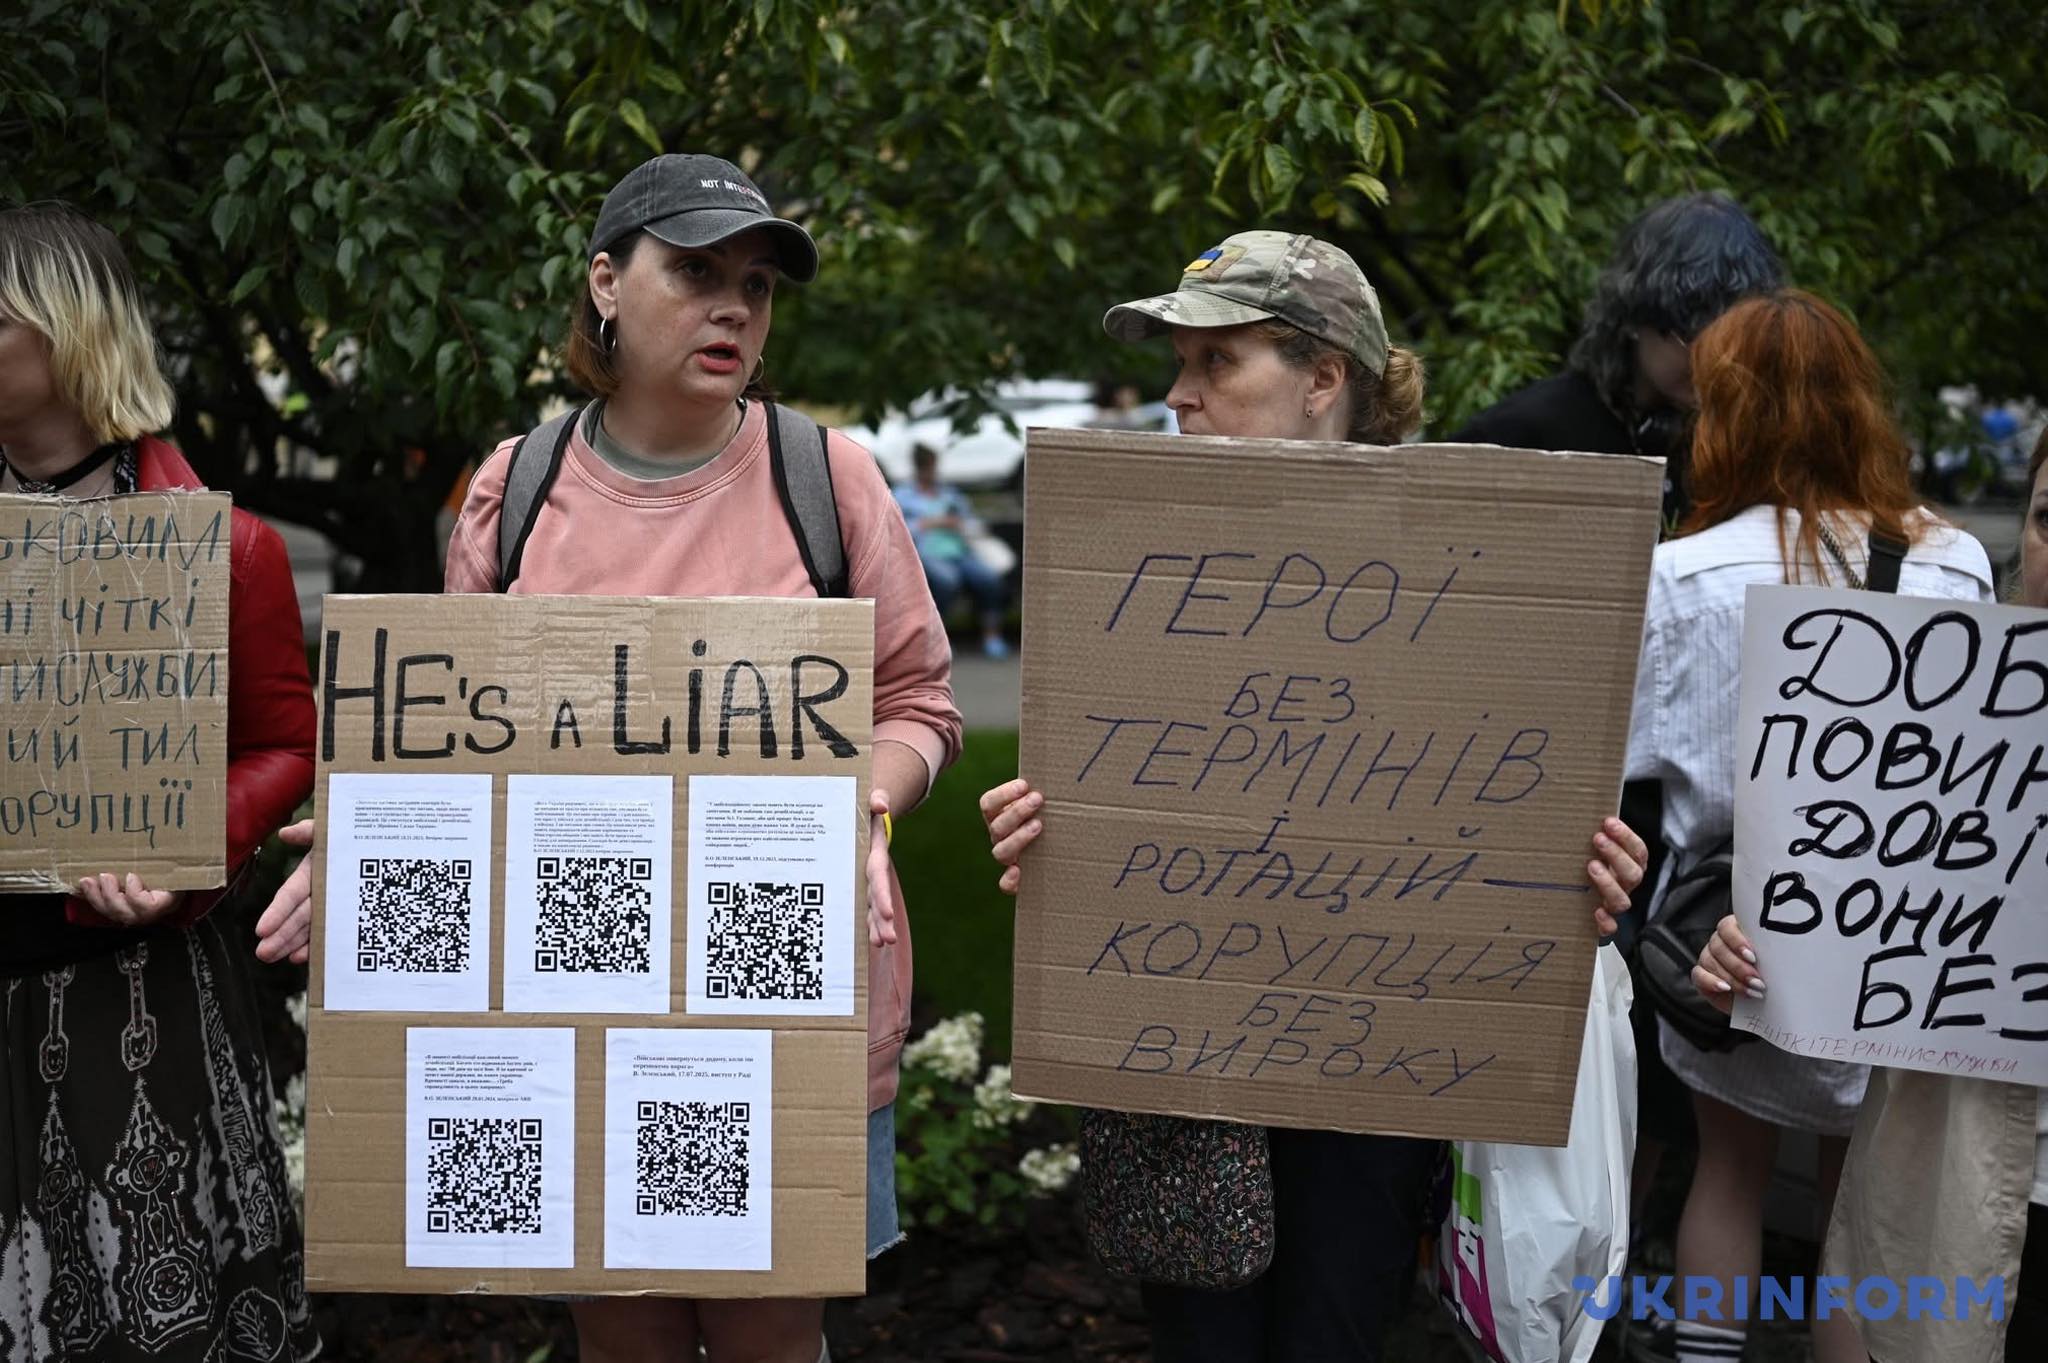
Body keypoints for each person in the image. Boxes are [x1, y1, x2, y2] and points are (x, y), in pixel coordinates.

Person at [259, 153, 960, 1363]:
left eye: (755, 285)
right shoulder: (516, 486)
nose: (732, 308)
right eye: (694, 274)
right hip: (575, 990)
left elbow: (918, 704)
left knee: (767, 1331)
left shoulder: (826, 476)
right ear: (603, 283)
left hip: (777, 984)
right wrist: (374, 838)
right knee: (620, 1327)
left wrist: (862, 807)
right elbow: (458, 742)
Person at [978, 230, 1651, 1362]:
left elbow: (1506, 791)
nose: (1179, 396)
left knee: (1330, 1333)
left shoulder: (1470, 569)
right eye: (1177, 366)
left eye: (1216, 362)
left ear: (1322, 378)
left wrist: (1577, 871)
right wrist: (1047, 839)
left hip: (1375, 1077)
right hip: (1180, 1066)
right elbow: (1112, 790)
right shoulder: (1133, 560)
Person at [1620, 288, 1995, 1363]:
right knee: (1856, 1202)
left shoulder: (1681, 576)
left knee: (1729, 1170)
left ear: (1723, 415)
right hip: (1897, 939)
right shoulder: (1955, 563)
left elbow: (1622, 763)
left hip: (1729, 943)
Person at [0, 203, 318, 1360]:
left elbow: (286, 745)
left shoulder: (224, 546)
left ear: (67, 333)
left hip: (129, 996)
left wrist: (178, 844)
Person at [1691, 426, 2048, 1363]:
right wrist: (1751, 951)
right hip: (1958, 1196)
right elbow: (1854, 913)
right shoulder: (1952, 709)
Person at [893, 442, 1011, 657]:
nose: (931, 471)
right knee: (947, 582)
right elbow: (897, 529)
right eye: (927, 466)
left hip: (959, 551)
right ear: (918, 467)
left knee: (989, 580)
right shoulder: (903, 495)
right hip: (927, 553)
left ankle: (992, 636)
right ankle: (939, 639)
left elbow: (973, 524)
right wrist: (930, 523)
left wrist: (960, 524)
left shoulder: (950, 494)